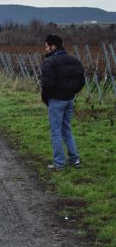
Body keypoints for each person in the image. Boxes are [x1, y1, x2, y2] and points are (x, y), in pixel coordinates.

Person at [41, 34, 85, 171]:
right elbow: (82, 81)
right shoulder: (75, 61)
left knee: (56, 131)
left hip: (56, 100)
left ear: (53, 46)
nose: (46, 49)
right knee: (67, 129)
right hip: (69, 99)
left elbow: (46, 85)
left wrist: (46, 99)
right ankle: (74, 159)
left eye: (47, 46)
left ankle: (59, 163)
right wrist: (72, 93)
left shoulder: (50, 62)